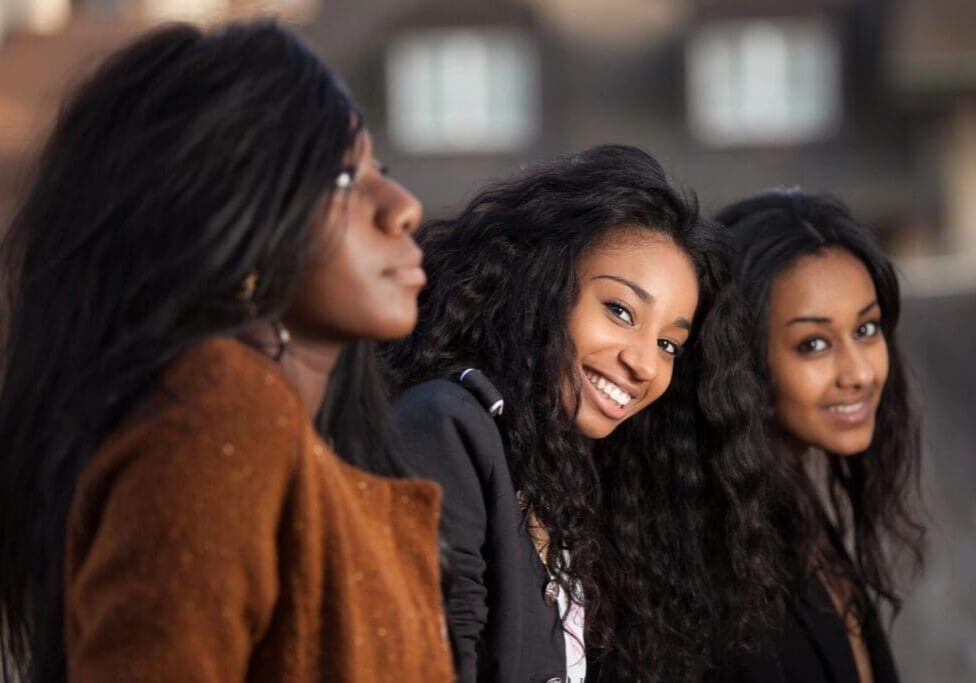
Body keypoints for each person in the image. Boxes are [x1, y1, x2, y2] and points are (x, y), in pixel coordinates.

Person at [0, 21, 454, 683]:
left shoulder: (298, 443)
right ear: (224, 206)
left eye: (377, 171)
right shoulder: (220, 412)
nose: (404, 207)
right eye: (342, 176)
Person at [382, 145, 784, 682]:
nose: (644, 363)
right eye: (620, 311)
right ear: (538, 282)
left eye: (669, 344)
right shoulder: (446, 426)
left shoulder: (556, 475)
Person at [712, 190, 925, 683]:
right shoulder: (718, 549)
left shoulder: (793, 508)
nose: (858, 373)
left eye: (867, 329)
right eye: (814, 344)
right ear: (741, 359)